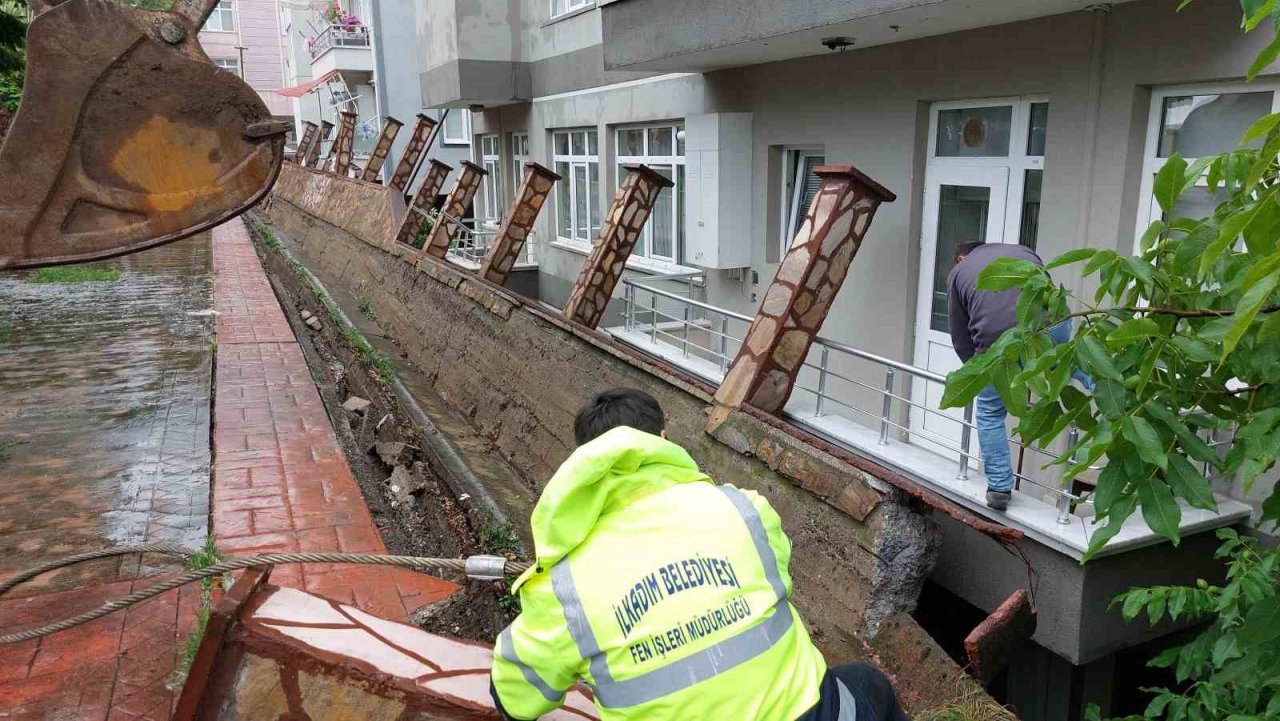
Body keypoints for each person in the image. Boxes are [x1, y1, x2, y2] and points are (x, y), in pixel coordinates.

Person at [490, 388, 910, 721]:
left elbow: (513, 698)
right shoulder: (744, 510)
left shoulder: (564, 587)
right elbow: (776, 579)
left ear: (583, 463)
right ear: (662, 439)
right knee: (864, 681)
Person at [947, 242, 1092, 511]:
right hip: (1053, 323)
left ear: (960, 258)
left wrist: (978, 371)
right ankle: (1107, 386)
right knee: (1061, 359)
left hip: (999, 340)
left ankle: (1000, 487)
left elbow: (959, 333)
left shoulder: (959, 272)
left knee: (990, 412)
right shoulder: (1022, 251)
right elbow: (1044, 290)